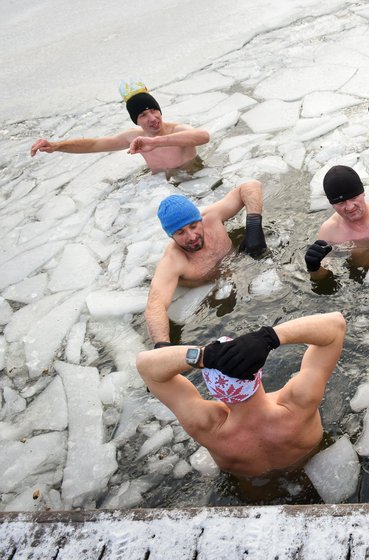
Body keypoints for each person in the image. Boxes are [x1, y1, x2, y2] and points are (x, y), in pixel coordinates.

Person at [136, 312, 346, 477]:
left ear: (212, 387)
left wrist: (205, 356)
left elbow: (146, 367)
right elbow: (335, 325)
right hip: (311, 472)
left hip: (254, 491)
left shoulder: (205, 426)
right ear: (256, 374)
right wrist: (269, 337)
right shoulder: (299, 403)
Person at [145, 181, 267, 348]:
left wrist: (254, 225)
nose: (192, 236)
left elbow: (251, 186)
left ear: (199, 220)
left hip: (242, 270)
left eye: (194, 226)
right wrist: (162, 346)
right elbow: (155, 304)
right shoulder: (173, 261)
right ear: (171, 235)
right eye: (180, 233)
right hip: (212, 296)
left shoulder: (212, 218)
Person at [30, 84, 209, 177]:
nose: (153, 118)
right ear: (136, 121)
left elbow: (202, 136)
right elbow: (93, 145)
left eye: (154, 111)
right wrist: (56, 145)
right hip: (161, 186)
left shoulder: (177, 130)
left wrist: (155, 142)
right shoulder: (134, 136)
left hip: (196, 178)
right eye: (143, 115)